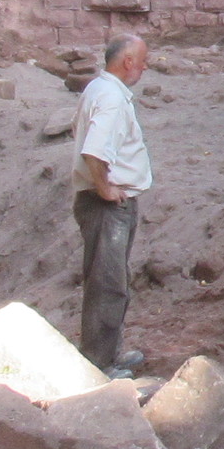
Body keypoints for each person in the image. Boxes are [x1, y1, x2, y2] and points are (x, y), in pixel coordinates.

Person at [73, 32, 152, 373]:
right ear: (128, 61)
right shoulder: (112, 99)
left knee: (110, 281)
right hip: (107, 206)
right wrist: (105, 188)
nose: (145, 68)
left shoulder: (99, 89)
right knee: (108, 285)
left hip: (103, 202)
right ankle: (100, 363)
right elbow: (94, 150)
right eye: (142, 61)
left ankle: (108, 352)